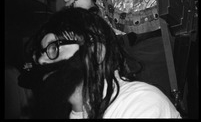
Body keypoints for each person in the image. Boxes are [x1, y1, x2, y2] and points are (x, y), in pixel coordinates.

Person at [18, 7, 181, 119]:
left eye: (53, 48)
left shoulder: (141, 102)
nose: (41, 60)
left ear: (96, 53)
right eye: (39, 54)